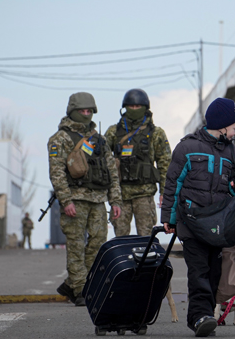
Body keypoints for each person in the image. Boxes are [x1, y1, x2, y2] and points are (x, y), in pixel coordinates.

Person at [161, 97, 235, 337]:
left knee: (214, 273)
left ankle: (204, 316)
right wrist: (169, 218)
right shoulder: (186, 148)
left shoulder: (230, 151)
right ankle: (201, 316)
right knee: (198, 272)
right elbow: (172, 184)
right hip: (190, 223)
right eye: (234, 129)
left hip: (217, 225)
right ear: (222, 126)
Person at [48, 92, 122, 306]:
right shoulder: (59, 139)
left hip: (98, 200)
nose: (86, 114)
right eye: (82, 111)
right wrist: (66, 200)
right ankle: (81, 289)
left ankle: (78, 283)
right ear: (72, 111)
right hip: (75, 199)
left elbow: (111, 171)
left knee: (98, 243)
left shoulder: (99, 140)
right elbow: (57, 173)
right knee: (76, 245)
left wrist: (115, 201)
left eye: (89, 111)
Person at [105, 89, 171, 237]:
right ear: (125, 108)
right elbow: (101, 158)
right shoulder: (113, 132)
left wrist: (164, 192)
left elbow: (165, 164)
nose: (134, 109)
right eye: (131, 106)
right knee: (121, 238)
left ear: (146, 108)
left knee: (145, 238)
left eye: (138, 107)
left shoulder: (156, 133)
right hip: (121, 195)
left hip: (145, 194)